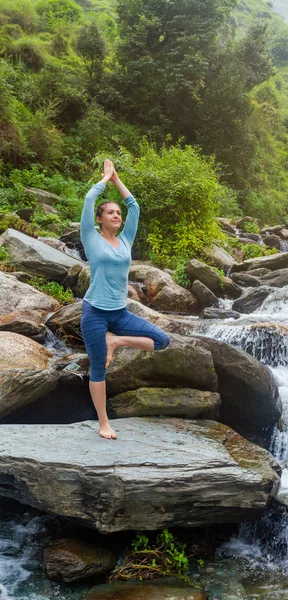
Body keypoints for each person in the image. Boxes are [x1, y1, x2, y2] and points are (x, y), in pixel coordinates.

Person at [80, 159, 171, 439]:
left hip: (119, 313)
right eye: (110, 213)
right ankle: (104, 423)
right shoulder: (91, 237)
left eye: (118, 213)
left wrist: (117, 179)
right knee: (98, 369)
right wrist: (104, 180)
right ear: (99, 218)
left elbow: (135, 207)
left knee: (162, 341)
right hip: (95, 311)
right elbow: (88, 198)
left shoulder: (126, 240)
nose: (117, 216)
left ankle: (115, 341)